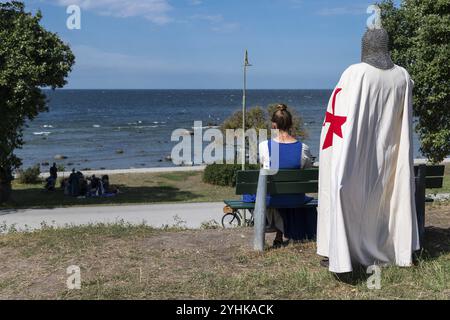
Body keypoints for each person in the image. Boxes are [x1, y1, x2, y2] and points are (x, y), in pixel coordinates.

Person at [258, 104, 316, 248]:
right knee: (288, 192)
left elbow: (263, 167)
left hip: (273, 198)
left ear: (273, 125)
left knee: (266, 193)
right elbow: (307, 171)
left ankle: (275, 233)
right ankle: (283, 233)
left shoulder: (264, 146)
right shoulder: (303, 148)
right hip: (295, 197)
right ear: (291, 124)